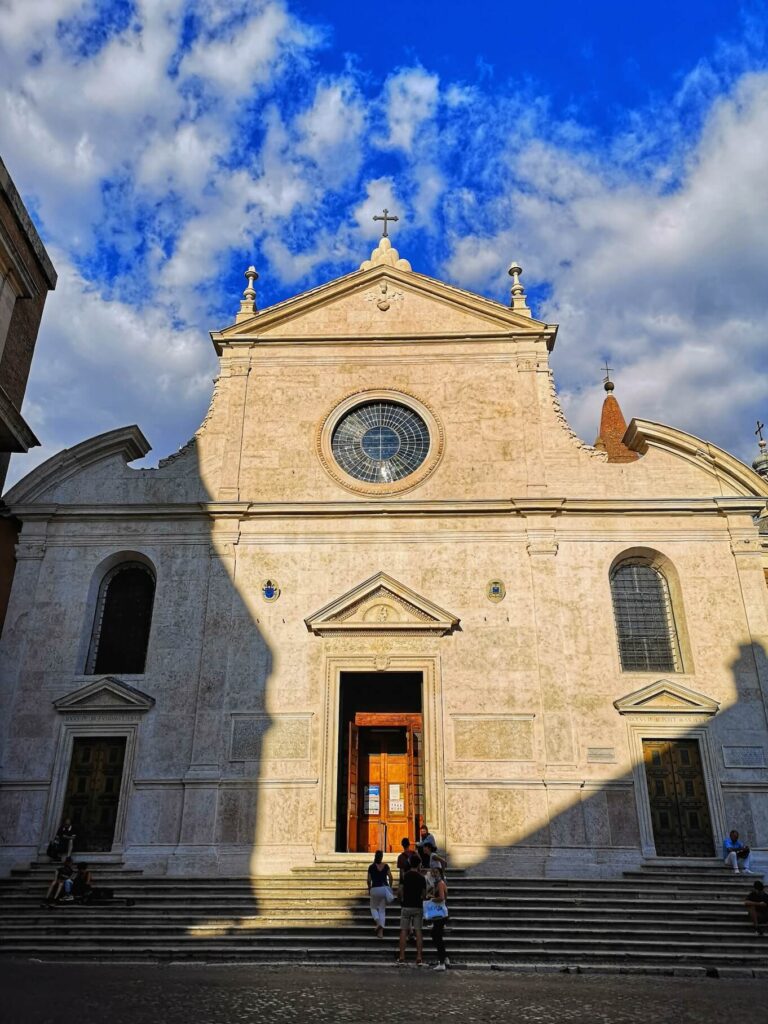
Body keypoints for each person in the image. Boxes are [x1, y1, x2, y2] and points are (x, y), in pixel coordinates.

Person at [396, 853, 426, 966]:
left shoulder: (405, 876)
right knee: (418, 931)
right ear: (419, 865)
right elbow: (424, 895)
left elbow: (399, 891)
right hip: (418, 906)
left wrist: (401, 900)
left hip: (406, 905)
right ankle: (419, 957)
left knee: (404, 930)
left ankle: (402, 956)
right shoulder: (422, 878)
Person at [424, 867, 450, 971]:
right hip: (440, 915)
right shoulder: (438, 883)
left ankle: (442, 962)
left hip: (440, 915)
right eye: (433, 872)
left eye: (436, 872)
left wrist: (432, 899)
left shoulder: (440, 883)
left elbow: (442, 898)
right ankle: (445, 958)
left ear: (440, 873)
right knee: (437, 936)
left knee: (436, 936)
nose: (434, 874)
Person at [367, 849, 393, 938]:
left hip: (375, 889)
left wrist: (369, 889)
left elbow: (368, 880)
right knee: (382, 910)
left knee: (373, 908)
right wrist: (390, 886)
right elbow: (390, 877)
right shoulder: (386, 866)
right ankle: (380, 933)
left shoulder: (371, 867)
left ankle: (378, 923)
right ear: (381, 857)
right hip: (384, 889)